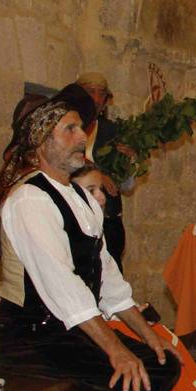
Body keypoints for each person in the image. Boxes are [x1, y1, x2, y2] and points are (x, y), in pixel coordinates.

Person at [0, 89, 182, 391]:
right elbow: (61, 287)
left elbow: (105, 275)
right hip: (29, 334)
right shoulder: (30, 201)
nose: (81, 137)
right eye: (70, 130)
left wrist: (146, 333)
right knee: (120, 376)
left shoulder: (76, 197)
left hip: (63, 327)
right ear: (42, 143)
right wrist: (116, 348)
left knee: (164, 367)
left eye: (81, 128)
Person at [71, 164, 196, 391]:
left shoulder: (95, 232)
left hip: (101, 315)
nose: (101, 197)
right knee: (146, 352)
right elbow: (73, 297)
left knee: (163, 339)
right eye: (91, 190)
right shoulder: (64, 233)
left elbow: (112, 288)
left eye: (101, 189)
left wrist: (136, 315)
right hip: (79, 325)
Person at [75, 72, 128, 268]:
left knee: (111, 271)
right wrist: (99, 174)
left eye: (101, 94)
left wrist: (130, 161)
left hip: (107, 217)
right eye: (90, 92)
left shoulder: (112, 131)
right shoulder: (66, 128)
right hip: (76, 216)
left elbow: (126, 184)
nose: (96, 99)